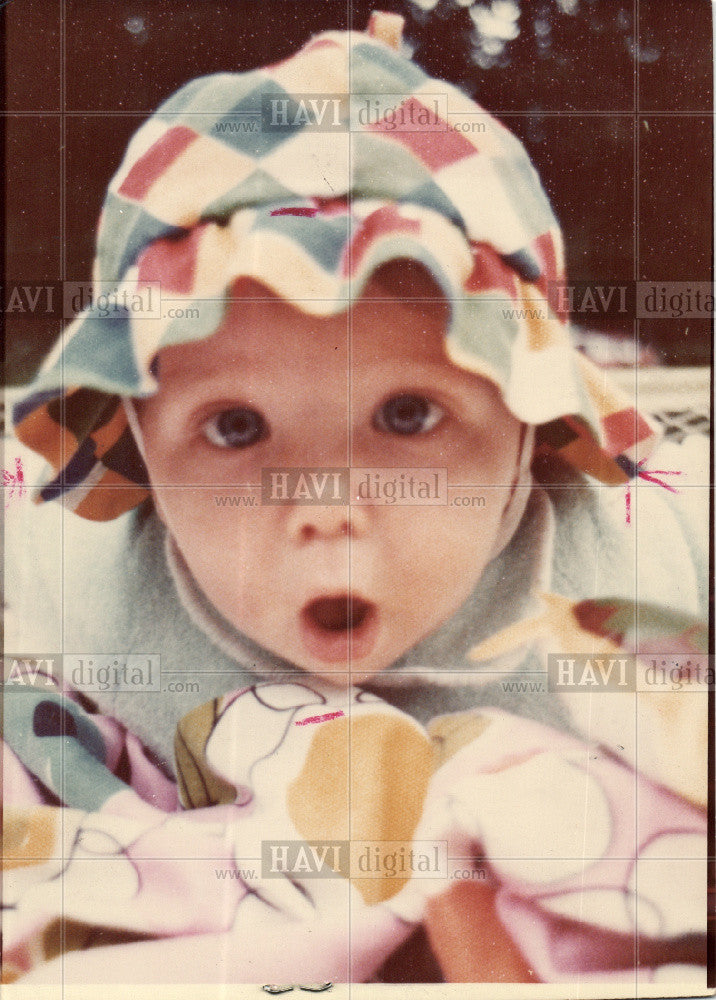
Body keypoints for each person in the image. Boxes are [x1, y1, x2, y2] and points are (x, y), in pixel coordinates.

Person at [4, 11, 708, 986]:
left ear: (530, 425)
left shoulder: (635, 567)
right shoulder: (90, 572)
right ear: (136, 449)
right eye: (236, 426)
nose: (328, 501)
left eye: (408, 412)